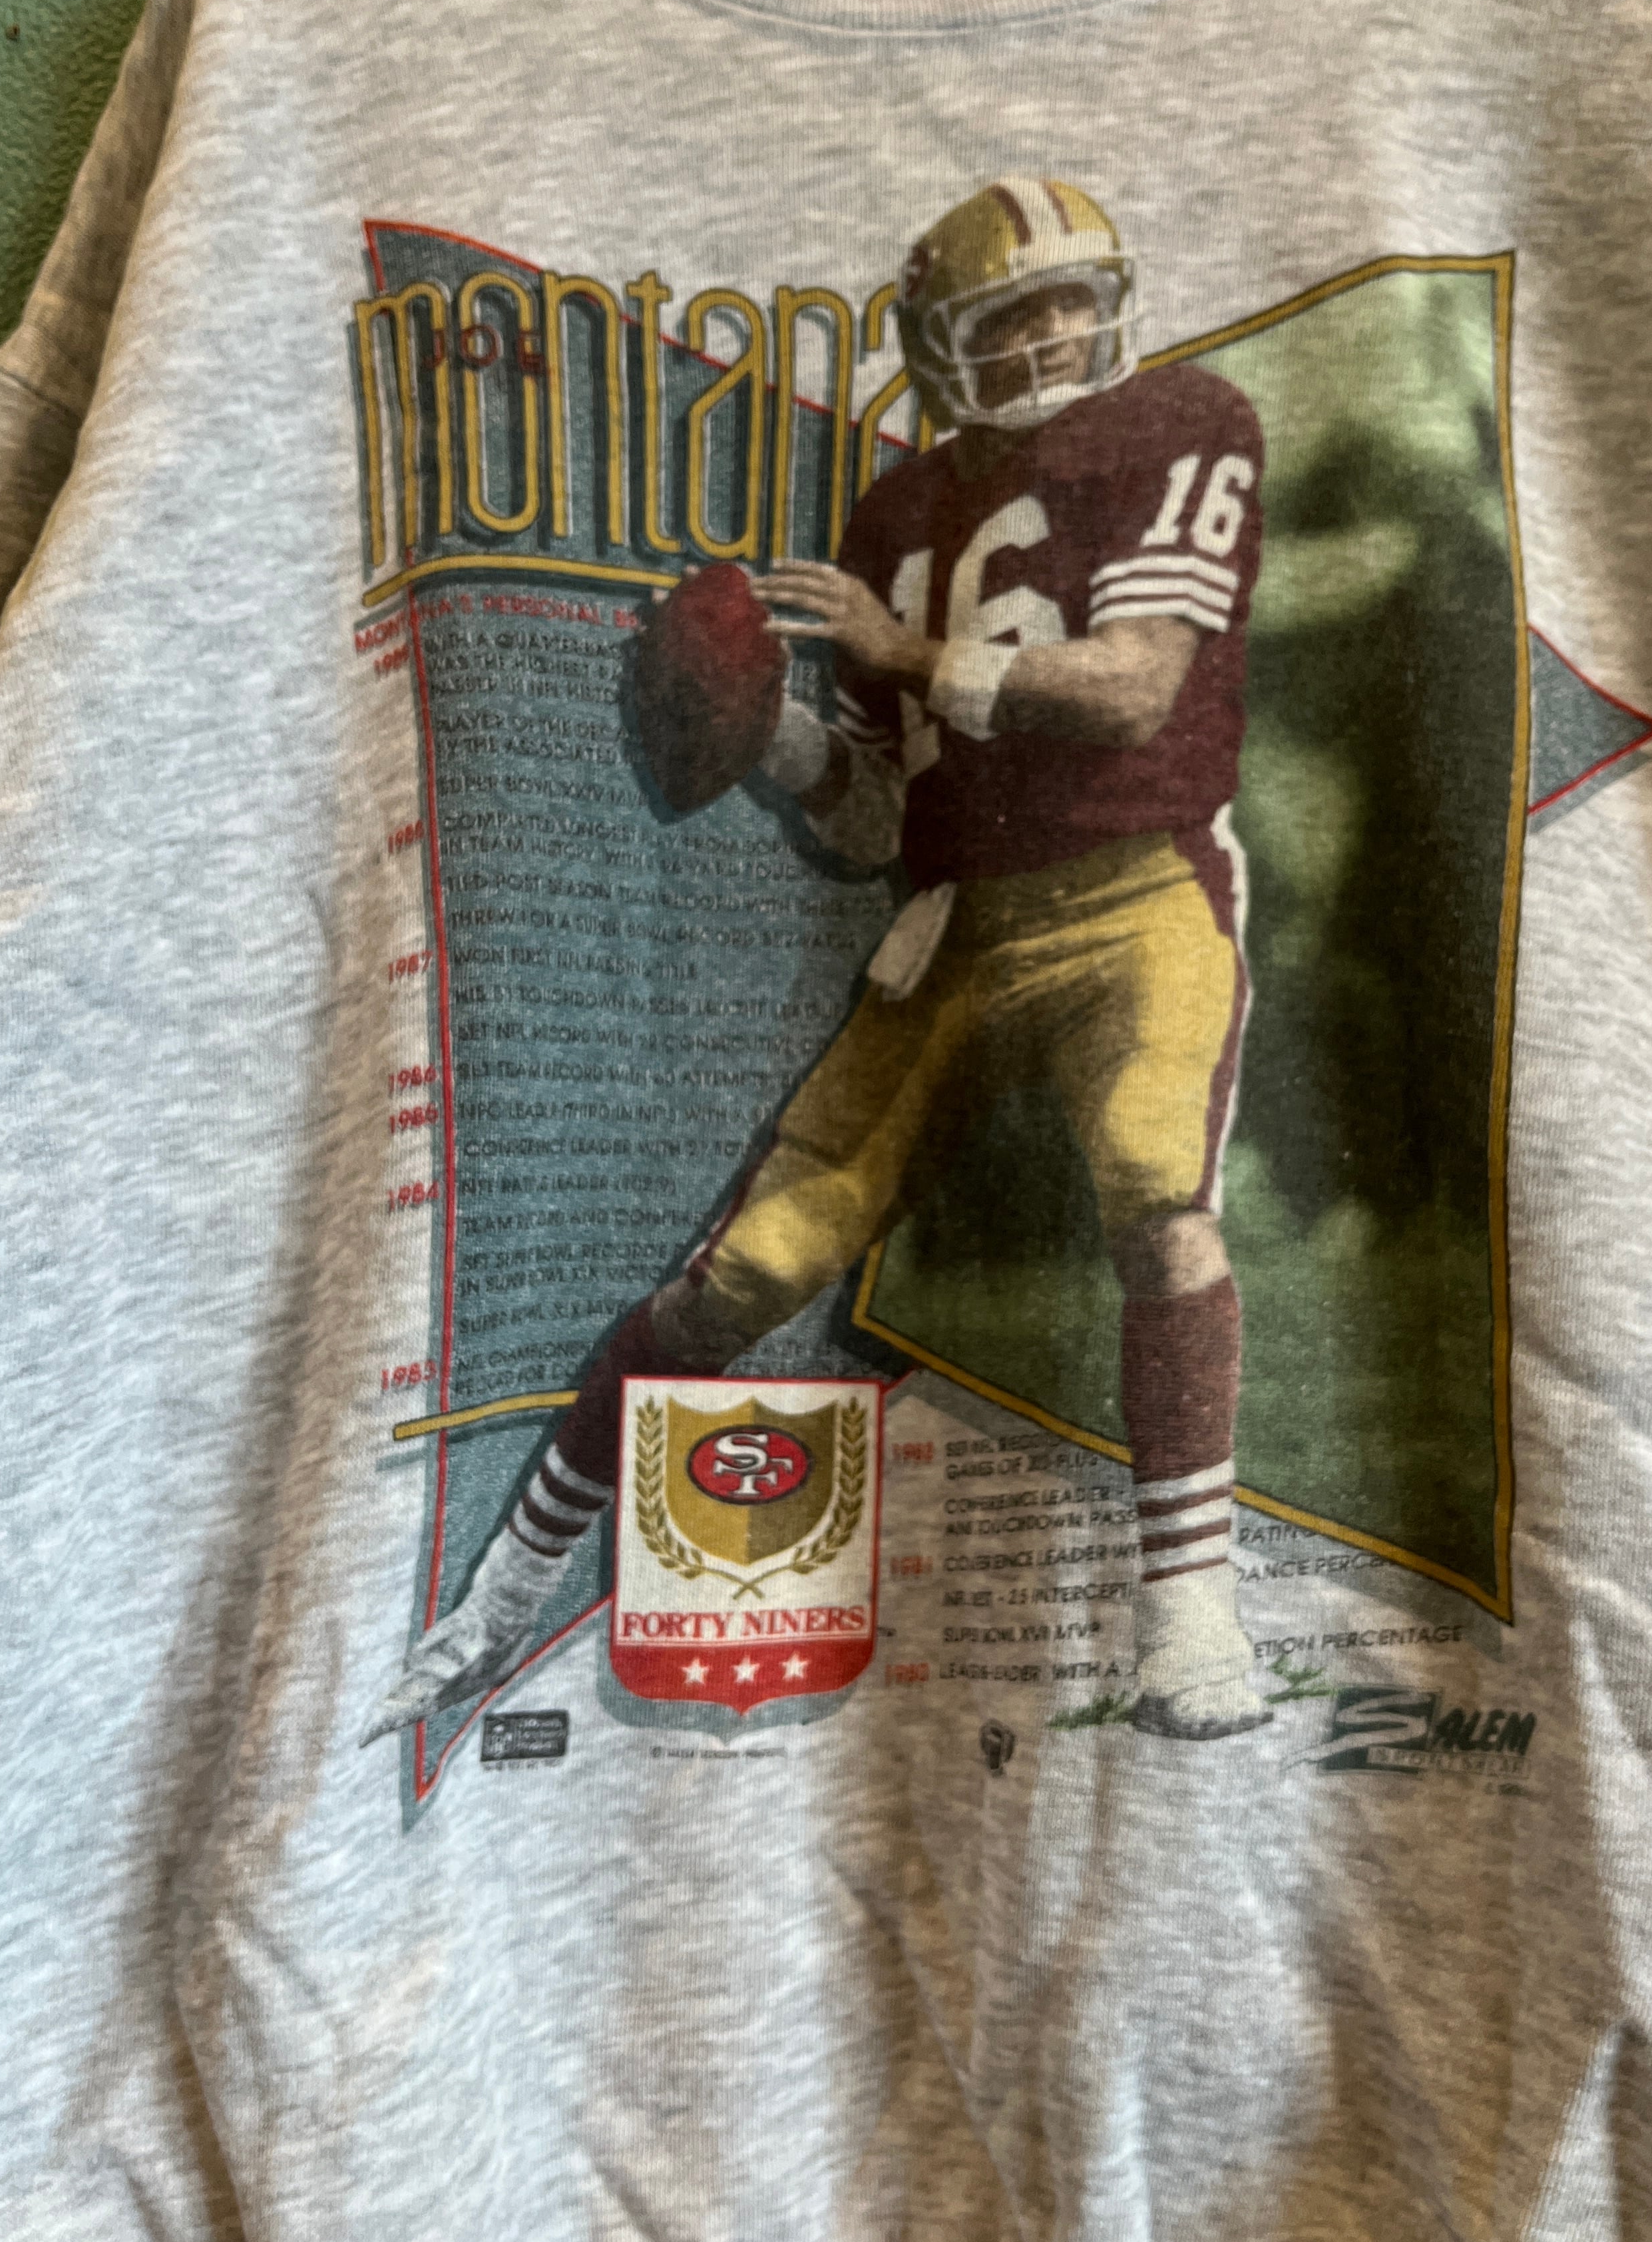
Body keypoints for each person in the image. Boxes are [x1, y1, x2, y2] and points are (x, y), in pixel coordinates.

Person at [364, 176, 1268, 1746]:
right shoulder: (893, 524)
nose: (1060, 334)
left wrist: (902, 651)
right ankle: (498, 1602)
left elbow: (1134, 690)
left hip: (1136, 890)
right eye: (1018, 314)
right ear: (945, 345)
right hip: (954, 924)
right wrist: (771, 734)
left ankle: (1190, 1614)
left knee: (1155, 1191)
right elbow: (869, 824)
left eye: (1077, 301)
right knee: (748, 1272)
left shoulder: (1180, 424)